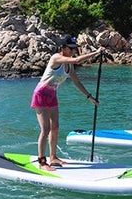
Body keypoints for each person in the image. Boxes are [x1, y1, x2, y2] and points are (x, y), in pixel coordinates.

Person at [31, 35, 103, 171]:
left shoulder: (69, 65)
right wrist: (96, 52)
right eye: (70, 49)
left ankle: (53, 157)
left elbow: (76, 82)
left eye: (74, 48)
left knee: (56, 127)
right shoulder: (55, 58)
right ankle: (42, 161)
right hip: (40, 95)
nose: (73, 51)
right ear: (63, 48)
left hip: (52, 96)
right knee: (45, 129)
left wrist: (89, 96)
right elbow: (77, 60)